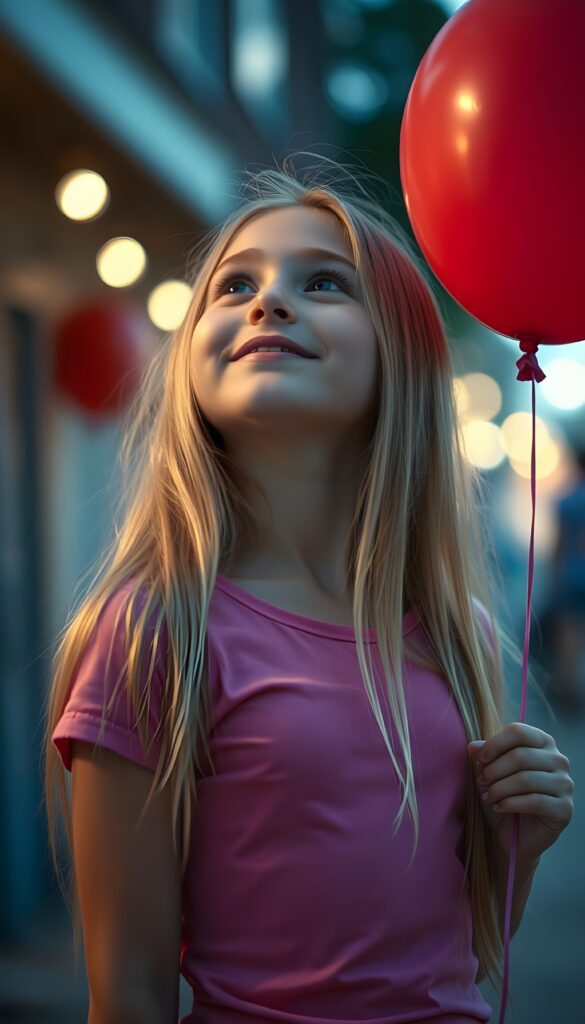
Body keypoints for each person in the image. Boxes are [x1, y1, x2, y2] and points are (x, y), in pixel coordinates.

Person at [43, 156, 574, 1024]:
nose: (266, 300)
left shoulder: (458, 631)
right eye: (234, 286)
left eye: (323, 281)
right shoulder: (154, 629)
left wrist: (522, 841)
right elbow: (128, 991)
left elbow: (466, 956)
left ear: (399, 353)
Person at [547, 438, 585, 712]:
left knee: (569, 632)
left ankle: (568, 686)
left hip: (571, 574)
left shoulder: (566, 500)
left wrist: (555, 577)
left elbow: (559, 544)